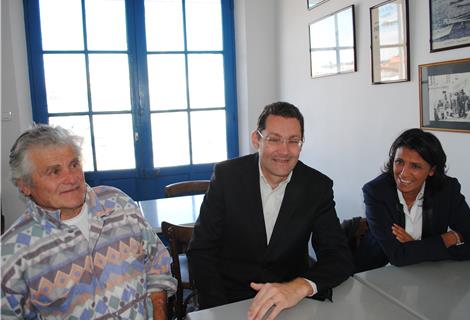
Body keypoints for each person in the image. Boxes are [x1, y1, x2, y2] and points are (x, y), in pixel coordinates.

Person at [187, 102, 352, 320]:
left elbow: (339, 257)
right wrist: (220, 310)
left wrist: (300, 286)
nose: (284, 151)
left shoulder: (317, 187)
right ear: (257, 139)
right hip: (228, 300)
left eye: (293, 141)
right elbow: (201, 250)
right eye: (274, 139)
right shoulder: (227, 177)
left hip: (289, 303)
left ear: (301, 144)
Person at [1, 125, 177, 319]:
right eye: (54, 172)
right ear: (24, 185)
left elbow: (156, 263)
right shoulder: (11, 255)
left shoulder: (119, 204)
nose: (72, 178)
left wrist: (159, 312)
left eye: (74, 164)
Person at [361, 128, 470, 268]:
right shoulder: (376, 192)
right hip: (377, 274)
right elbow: (397, 257)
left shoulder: (447, 190)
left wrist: (414, 246)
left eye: (415, 166)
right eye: (399, 162)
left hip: (427, 274)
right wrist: (447, 240)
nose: (403, 173)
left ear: (432, 170)